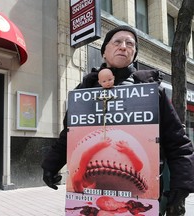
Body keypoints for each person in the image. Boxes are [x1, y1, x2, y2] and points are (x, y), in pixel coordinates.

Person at [41, 25, 194, 215]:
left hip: (143, 196)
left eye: (130, 44)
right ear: (104, 52)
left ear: (134, 54)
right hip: (90, 195)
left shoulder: (152, 90)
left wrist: (182, 182)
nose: (123, 46)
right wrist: (51, 165)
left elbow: (177, 141)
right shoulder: (85, 91)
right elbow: (70, 134)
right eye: (117, 42)